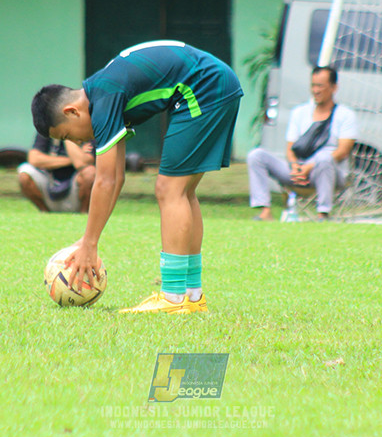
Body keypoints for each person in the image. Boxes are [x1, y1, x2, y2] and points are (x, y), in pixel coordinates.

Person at [31, 40, 242, 314]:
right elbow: (116, 178)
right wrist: (87, 241)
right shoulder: (102, 93)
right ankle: (191, 295)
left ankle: (173, 297)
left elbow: (105, 180)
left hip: (205, 88)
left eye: (68, 135)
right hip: (216, 83)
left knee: (170, 190)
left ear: (72, 112)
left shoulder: (103, 100)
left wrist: (90, 243)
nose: (77, 140)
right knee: (183, 192)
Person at [247, 66, 357, 221]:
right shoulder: (299, 112)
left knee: (325, 159)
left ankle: (323, 214)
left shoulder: (345, 115)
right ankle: (264, 211)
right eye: (313, 85)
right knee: (256, 155)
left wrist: (309, 167)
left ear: (334, 88)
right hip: (298, 171)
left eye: (321, 86)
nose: (316, 90)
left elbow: (343, 151)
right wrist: (295, 166)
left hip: (327, 172)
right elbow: (290, 148)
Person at [17, 134, 95, 213]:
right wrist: (73, 159)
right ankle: (45, 212)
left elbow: (82, 163)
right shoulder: (49, 127)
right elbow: (34, 159)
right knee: (24, 172)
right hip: (50, 184)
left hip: (76, 192)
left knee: (90, 173)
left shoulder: (88, 129)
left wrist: (67, 137)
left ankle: (83, 213)